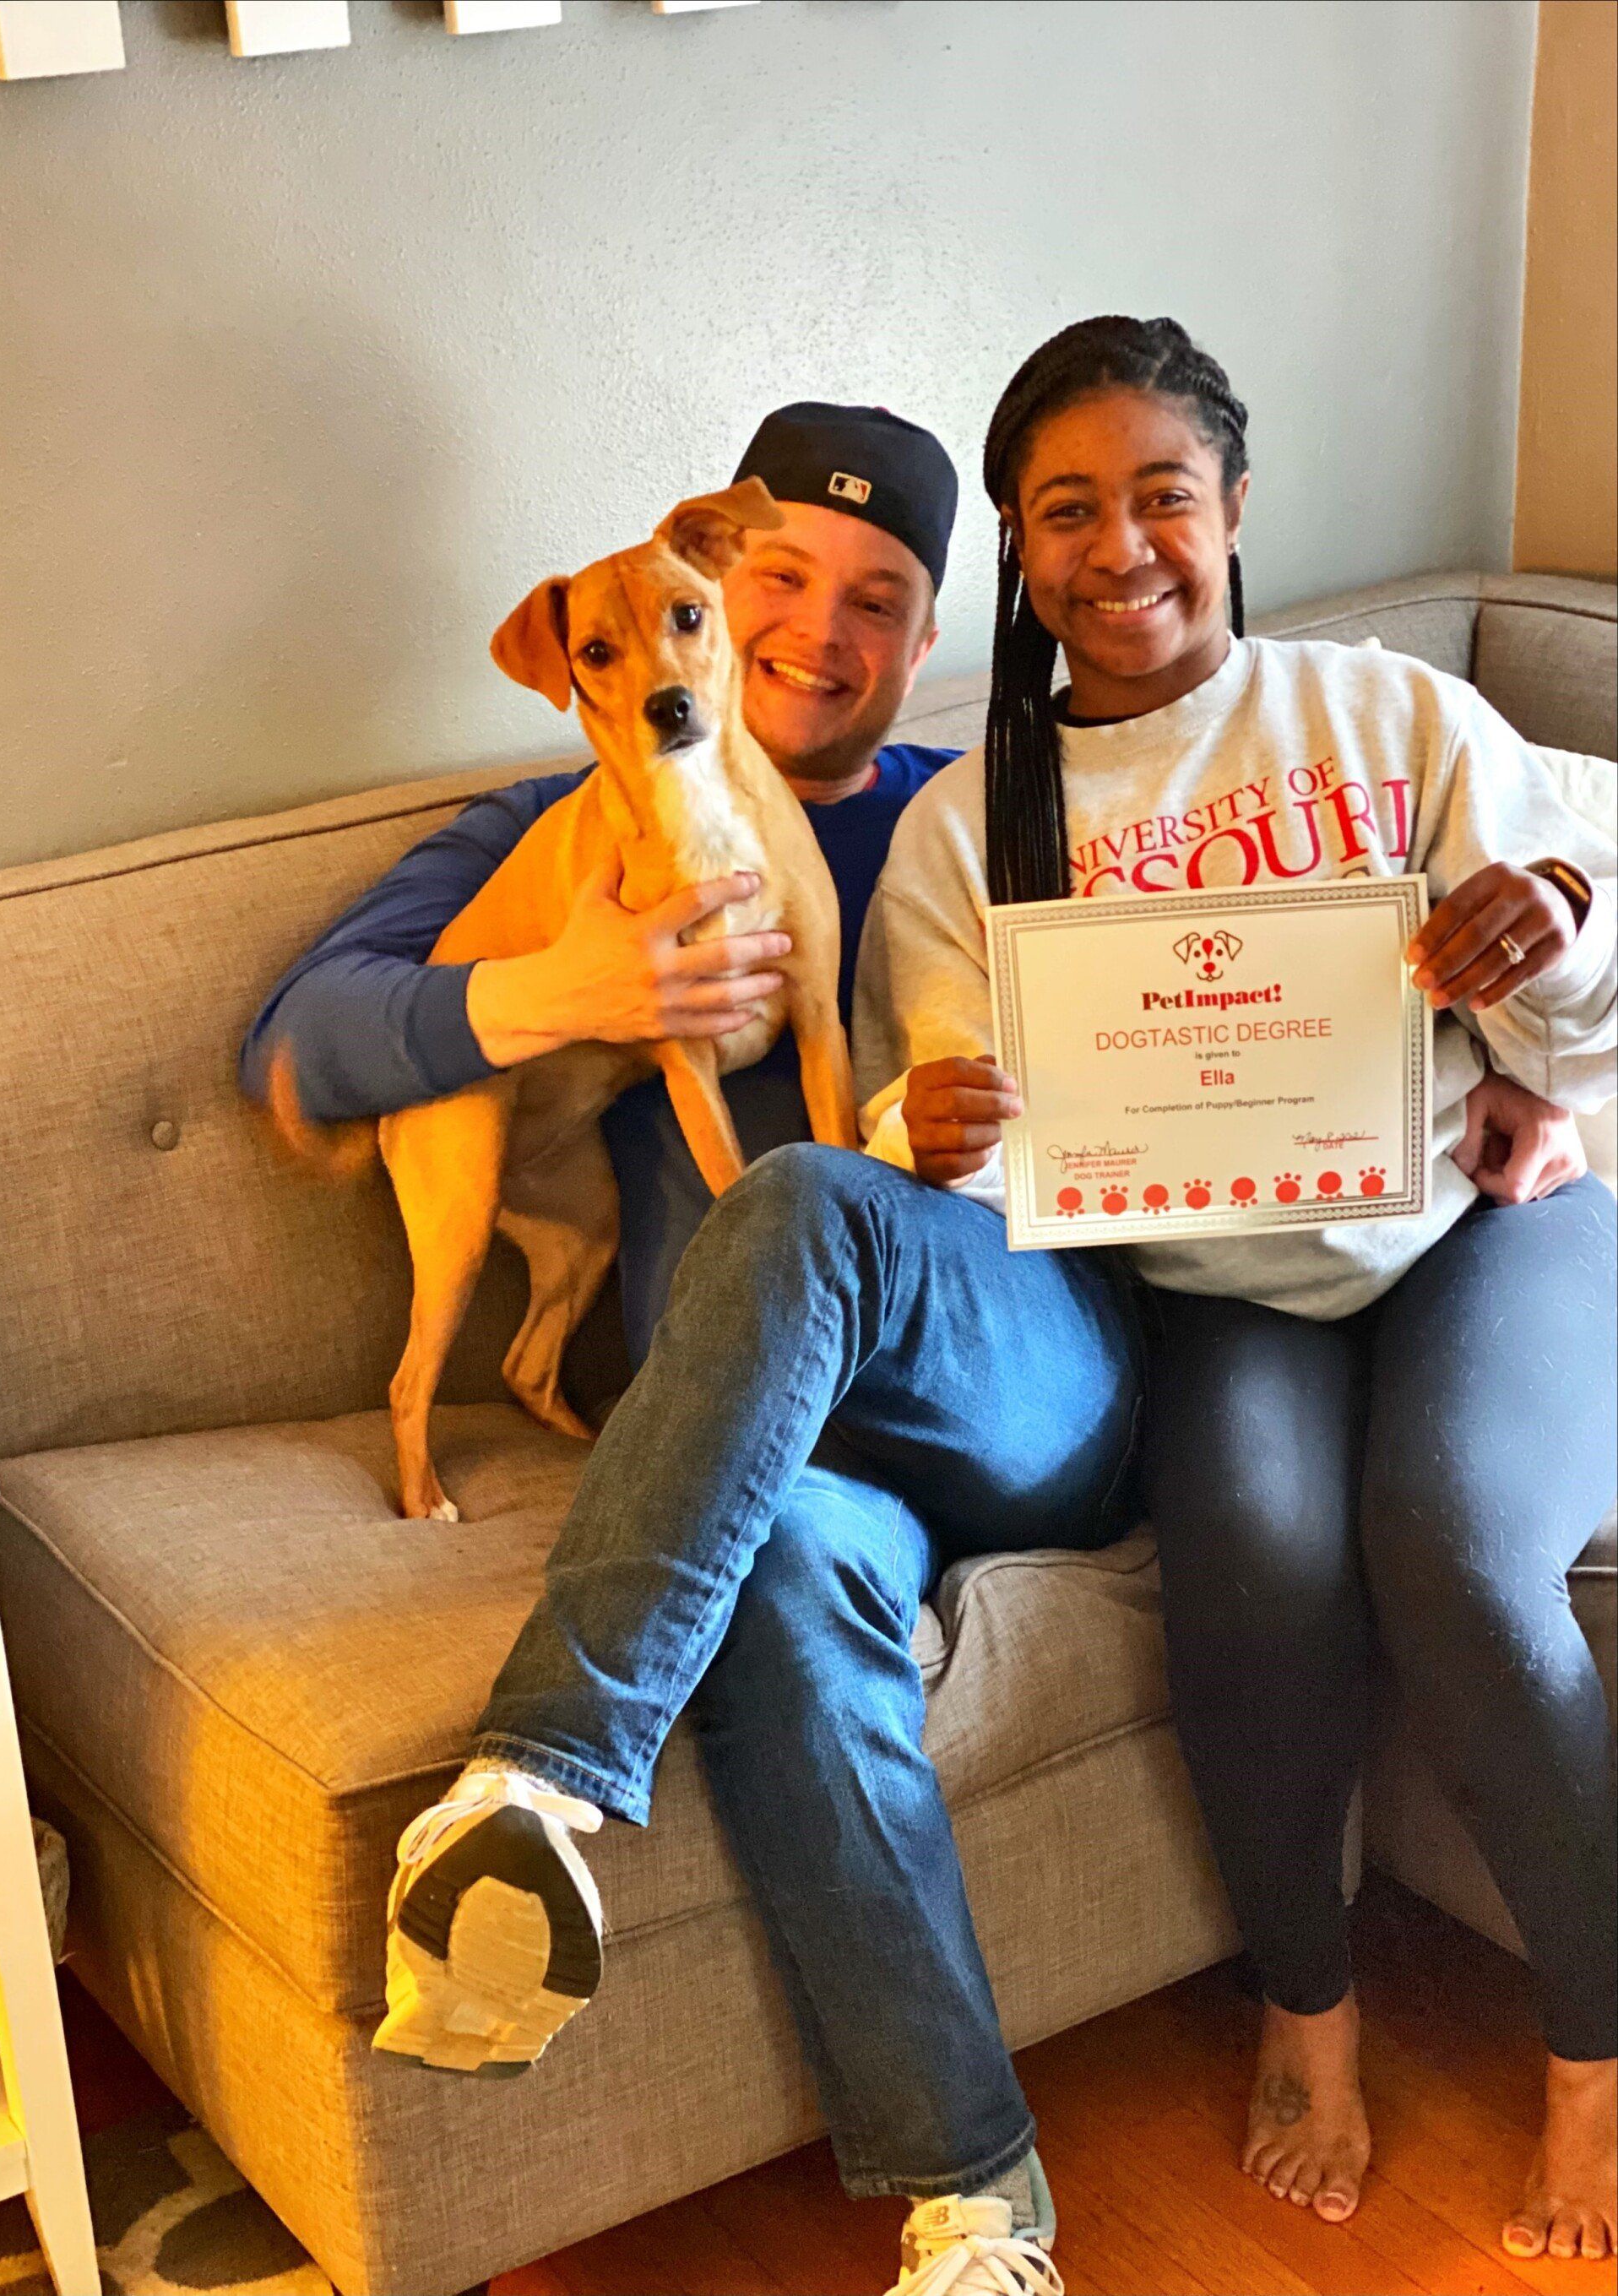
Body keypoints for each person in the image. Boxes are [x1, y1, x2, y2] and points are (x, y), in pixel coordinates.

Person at [244, 394, 1586, 2296]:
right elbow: (296, 1052)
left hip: (1041, 1367)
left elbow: (1303, 999)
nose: (811, 630)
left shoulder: (1004, 811)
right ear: (700, 576)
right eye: (775, 574)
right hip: (769, 1440)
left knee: (795, 1194)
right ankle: (976, 2204)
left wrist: (1528, 1084)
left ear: (939, 622)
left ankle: (540, 1769)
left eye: (879, 597)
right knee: (776, 1557)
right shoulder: (560, 828)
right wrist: (562, 988)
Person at [854, 314, 1617, 2266]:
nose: (1124, 550)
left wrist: (1555, 951)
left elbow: (1585, 998)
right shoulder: (968, 824)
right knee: (1257, 1572)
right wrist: (928, 1125)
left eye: (1164, 496)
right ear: (1022, 555)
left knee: (1451, 1547)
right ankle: (1310, 2018)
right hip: (1220, 1291)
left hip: (1481, 1221)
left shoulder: (1393, 721)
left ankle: (1597, 2055)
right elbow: (953, 1131)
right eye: (1068, 511)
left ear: (1237, 506)